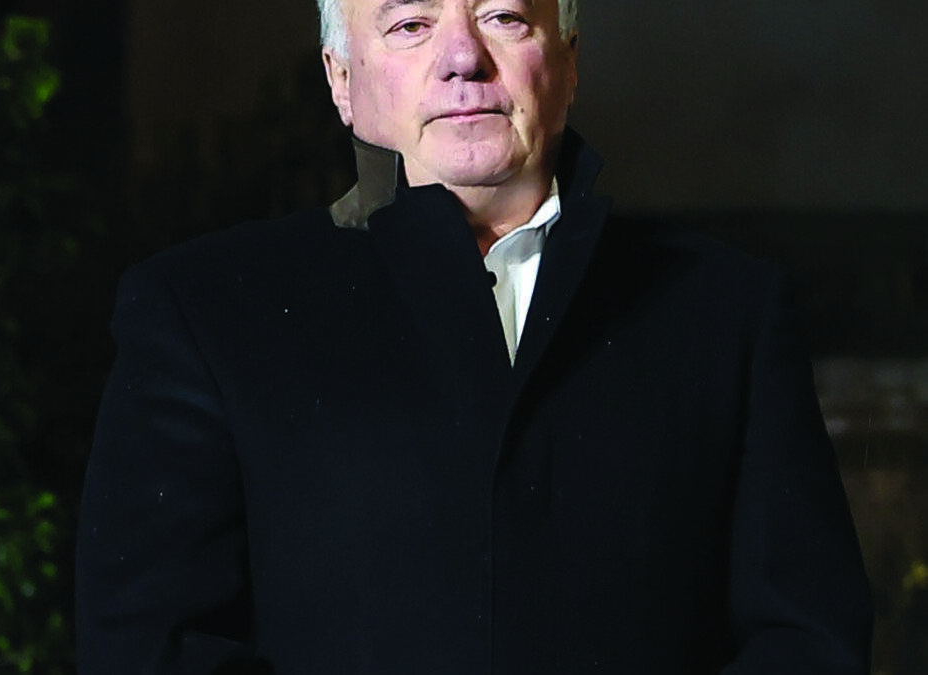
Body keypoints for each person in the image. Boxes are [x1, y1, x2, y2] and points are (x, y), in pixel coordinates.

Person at [76, 0, 873, 672]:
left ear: (568, 59)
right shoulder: (208, 311)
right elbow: (150, 646)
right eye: (410, 26)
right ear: (340, 79)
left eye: (503, 17)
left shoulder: (724, 311)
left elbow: (806, 637)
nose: (462, 58)